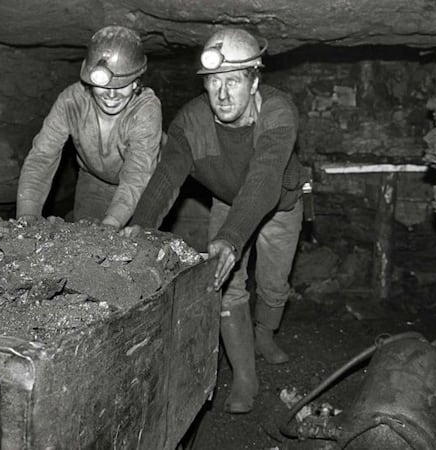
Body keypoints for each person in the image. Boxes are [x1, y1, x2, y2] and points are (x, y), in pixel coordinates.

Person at [121, 28, 305, 414]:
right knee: (226, 283)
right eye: (214, 82)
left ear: (255, 81)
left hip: (281, 206)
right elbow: (168, 175)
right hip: (227, 201)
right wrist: (141, 223)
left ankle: (265, 333)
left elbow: (265, 177)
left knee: (274, 282)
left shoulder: (278, 112)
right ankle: (244, 375)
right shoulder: (192, 122)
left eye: (233, 81)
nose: (222, 95)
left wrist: (233, 235)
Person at [16, 26, 162, 229]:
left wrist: (111, 224)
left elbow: (137, 176)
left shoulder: (146, 109)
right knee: (84, 244)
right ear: (89, 79)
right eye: (104, 86)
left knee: (133, 247)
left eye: (121, 85)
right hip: (94, 180)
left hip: (146, 186)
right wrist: (27, 215)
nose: (111, 95)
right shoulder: (72, 101)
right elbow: (42, 157)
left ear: (137, 81)